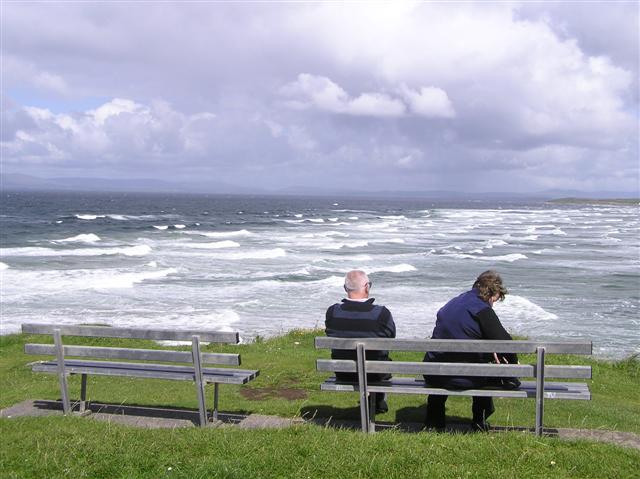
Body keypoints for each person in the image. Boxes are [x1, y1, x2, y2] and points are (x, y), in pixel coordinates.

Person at [423, 270, 520, 431]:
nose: (493, 304)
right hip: (465, 376)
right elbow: (505, 342)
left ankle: (434, 422)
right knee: (485, 370)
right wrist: (514, 364)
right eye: (494, 300)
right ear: (491, 293)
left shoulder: (453, 302)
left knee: (446, 362)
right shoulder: (481, 308)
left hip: (435, 373)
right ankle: (479, 421)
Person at [325, 270, 396, 414]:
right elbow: (391, 337)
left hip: (343, 372)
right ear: (367, 287)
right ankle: (378, 401)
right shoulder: (382, 313)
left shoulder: (332, 312)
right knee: (381, 359)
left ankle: (376, 402)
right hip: (375, 374)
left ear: (345, 289)